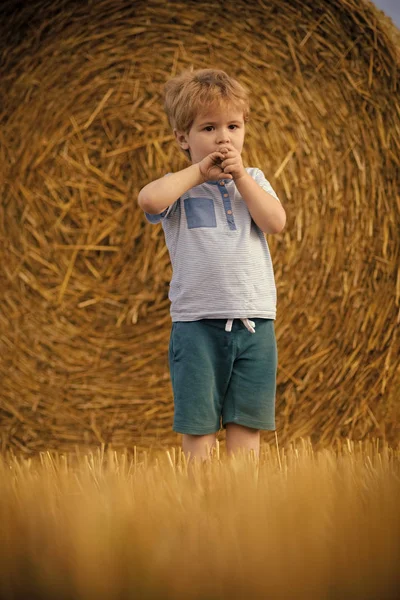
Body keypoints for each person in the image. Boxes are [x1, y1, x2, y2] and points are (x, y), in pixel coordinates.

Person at [138, 68, 286, 466]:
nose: (224, 137)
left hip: (255, 322)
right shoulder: (180, 187)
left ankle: (241, 510)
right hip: (197, 325)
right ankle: (201, 509)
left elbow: (275, 222)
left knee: (247, 429)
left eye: (233, 126)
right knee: (199, 428)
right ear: (182, 138)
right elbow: (149, 200)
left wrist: (241, 179)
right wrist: (198, 172)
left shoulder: (253, 179)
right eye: (209, 128)